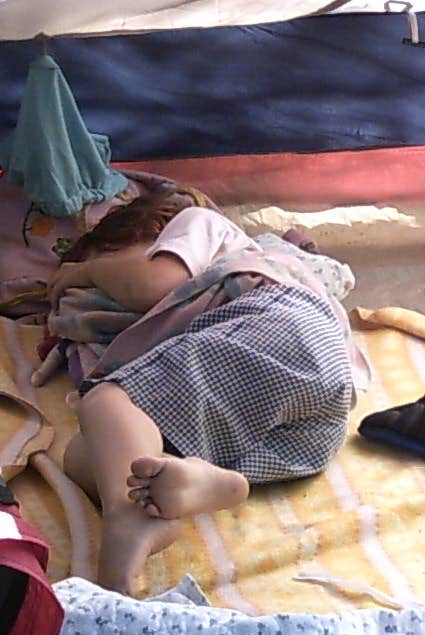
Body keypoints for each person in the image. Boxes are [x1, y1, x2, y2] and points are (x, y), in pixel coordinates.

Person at [43, 190, 361, 595]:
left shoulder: (199, 224)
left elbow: (152, 283)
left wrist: (85, 271)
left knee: (106, 400)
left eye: (118, 257)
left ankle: (128, 519)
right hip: (315, 422)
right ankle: (199, 481)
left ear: (155, 233)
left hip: (277, 328)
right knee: (84, 457)